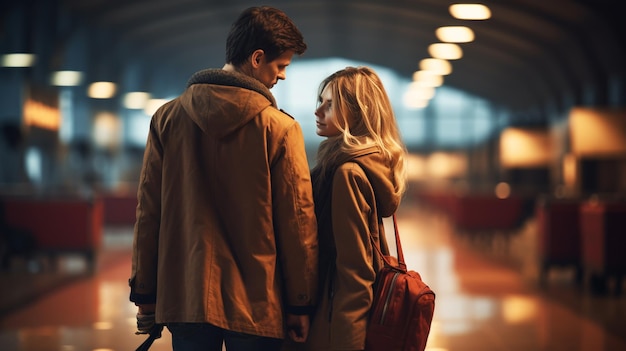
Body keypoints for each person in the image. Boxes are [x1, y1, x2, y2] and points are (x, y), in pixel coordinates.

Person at [129, 6, 318, 351]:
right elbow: (297, 223)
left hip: (185, 297)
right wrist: (300, 302)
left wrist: (145, 291)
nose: (283, 77)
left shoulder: (166, 119)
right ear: (258, 58)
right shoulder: (280, 129)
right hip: (257, 304)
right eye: (281, 66)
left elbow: (148, 213)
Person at [302, 66, 407, 351]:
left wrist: (349, 342)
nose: (318, 111)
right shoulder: (365, 166)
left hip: (333, 320)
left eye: (330, 104)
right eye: (319, 102)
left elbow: (355, 271)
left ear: (357, 112)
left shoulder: (347, 172)